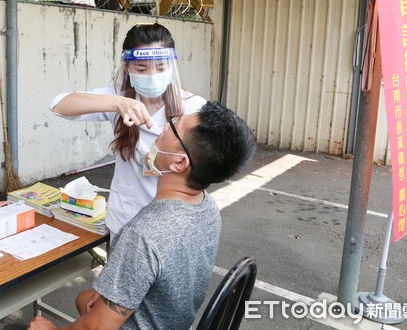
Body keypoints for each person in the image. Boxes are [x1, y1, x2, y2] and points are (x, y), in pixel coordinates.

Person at [29, 101, 256, 330]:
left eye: (174, 126)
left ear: (179, 162)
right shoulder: (208, 207)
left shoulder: (143, 235)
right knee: (85, 298)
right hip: (174, 323)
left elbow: (96, 328)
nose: (165, 126)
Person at [50, 23, 206, 238]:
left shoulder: (193, 106)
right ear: (127, 67)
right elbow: (59, 105)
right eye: (141, 69)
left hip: (174, 221)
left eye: (161, 68)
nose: (152, 76)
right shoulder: (119, 98)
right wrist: (117, 103)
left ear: (172, 67)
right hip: (126, 218)